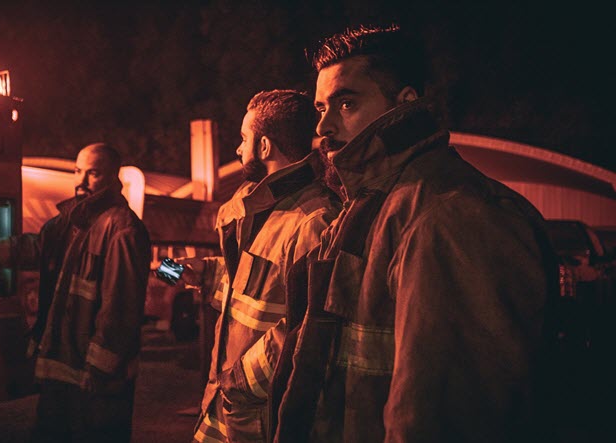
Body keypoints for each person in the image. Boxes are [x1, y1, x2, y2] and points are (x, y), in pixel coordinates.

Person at [271, 24, 558, 442]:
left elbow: (445, 419)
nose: (324, 127)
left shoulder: (451, 216)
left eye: (346, 103)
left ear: (404, 104)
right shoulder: (370, 207)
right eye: (320, 109)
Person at [186, 90, 341, 443]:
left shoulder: (313, 222)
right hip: (231, 409)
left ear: (266, 147)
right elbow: (258, 289)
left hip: (262, 416)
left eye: (244, 139)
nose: (239, 149)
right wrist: (205, 273)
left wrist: (239, 381)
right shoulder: (262, 210)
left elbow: (312, 327)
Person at [0, 143, 151, 442]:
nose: (81, 181)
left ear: (113, 176)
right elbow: (37, 248)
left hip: (94, 381)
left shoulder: (123, 230)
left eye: (93, 173)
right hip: (63, 375)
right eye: (78, 171)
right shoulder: (71, 222)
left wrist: (100, 371)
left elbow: (119, 311)